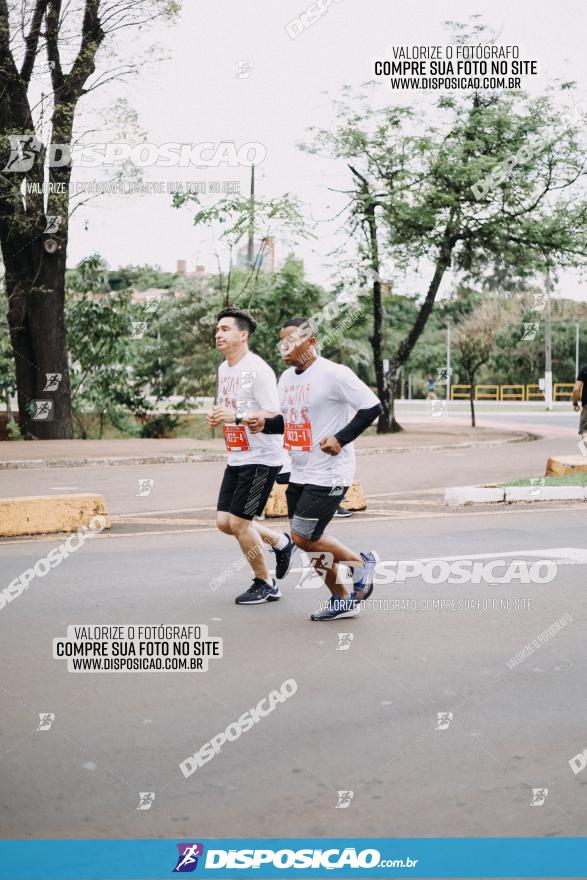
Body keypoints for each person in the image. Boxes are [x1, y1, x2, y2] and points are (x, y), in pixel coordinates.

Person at [244, 316, 382, 621]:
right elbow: (289, 421)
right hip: (301, 469)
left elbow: (373, 406)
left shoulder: (334, 374)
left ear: (312, 342)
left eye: (291, 340)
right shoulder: (286, 378)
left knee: (304, 537)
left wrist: (341, 438)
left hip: (331, 471)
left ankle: (362, 562)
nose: (285, 347)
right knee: (307, 538)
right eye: (281, 341)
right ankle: (341, 598)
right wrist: (264, 424)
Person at [208, 307, 294, 605]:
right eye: (217, 329)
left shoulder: (258, 369)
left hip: (262, 458)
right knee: (224, 521)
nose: (219, 334)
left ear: (243, 335)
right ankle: (281, 542)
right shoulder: (224, 368)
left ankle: (265, 582)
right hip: (238, 455)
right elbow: (231, 407)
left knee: (240, 523)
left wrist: (238, 415)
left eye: (225, 329)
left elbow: (274, 414)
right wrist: (223, 417)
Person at [572, 363, 587, 450]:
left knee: (584, 430)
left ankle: (585, 457)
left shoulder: (584, 369)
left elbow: (576, 389)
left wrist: (575, 403)